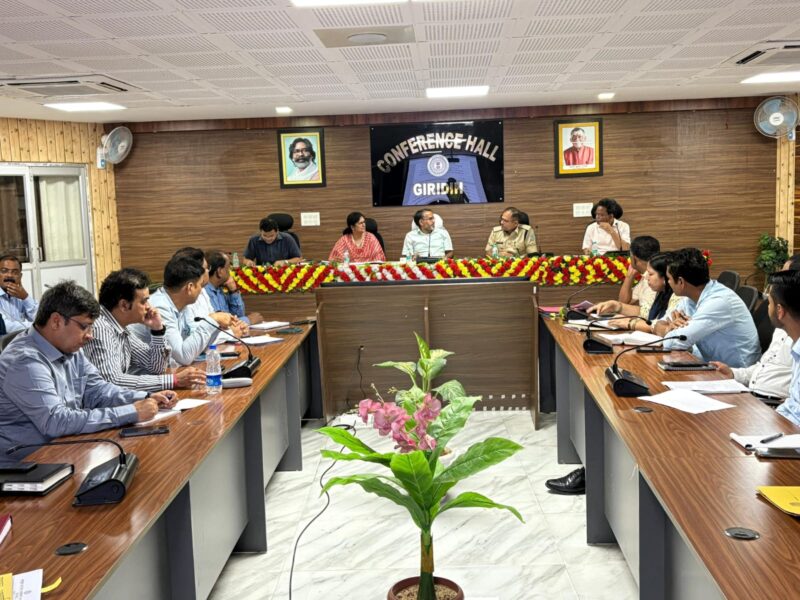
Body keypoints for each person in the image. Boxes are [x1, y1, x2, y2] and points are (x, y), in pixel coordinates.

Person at [0, 280, 176, 456]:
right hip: (28, 462)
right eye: (85, 326)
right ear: (56, 321)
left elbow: (98, 390)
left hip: (66, 447)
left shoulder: (69, 347)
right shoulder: (24, 361)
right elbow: (56, 421)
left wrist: (145, 397)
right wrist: (132, 412)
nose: (90, 335)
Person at [84, 268, 206, 392]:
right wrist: (173, 380)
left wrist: (157, 330)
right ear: (124, 305)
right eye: (144, 302)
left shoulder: (120, 326)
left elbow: (155, 367)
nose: (149, 307)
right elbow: (112, 381)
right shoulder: (100, 328)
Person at [709, 255, 800, 405]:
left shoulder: (794, 335)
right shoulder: (782, 328)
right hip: (754, 397)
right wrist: (733, 373)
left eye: (784, 275)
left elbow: (792, 407)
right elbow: (764, 368)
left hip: (771, 404)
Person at [653, 248, 760, 367]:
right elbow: (658, 324)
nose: (668, 282)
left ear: (681, 282)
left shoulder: (718, 301)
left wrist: (670, 332)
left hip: (734, 372)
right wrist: (668, 329)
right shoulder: (690, 297)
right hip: (708, 364)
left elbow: (672, 343)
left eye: (668, 278)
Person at [132, 256, 234, 366]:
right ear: (190, 287)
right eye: (200, 285)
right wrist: (212, 320)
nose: (201, 290)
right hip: (143, 374)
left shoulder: (182, 304)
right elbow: (184, 357)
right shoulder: (160, 308)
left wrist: (217, 326)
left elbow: (196, 347)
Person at [587, 237, 664, 323]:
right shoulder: (645, 276)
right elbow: (624, 302)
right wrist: (629, 277)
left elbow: (648, 313)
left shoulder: (654, 280)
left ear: (634, 258)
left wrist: (617, 307)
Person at [767, 269, 800, 426]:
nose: (768, 308)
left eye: (769, 303)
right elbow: (793, 407)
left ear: (779, 311)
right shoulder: (795, 346)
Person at [205, 250, 263, 325]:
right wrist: (248, 320)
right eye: (228, 268)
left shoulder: (220, 289)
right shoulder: (204, 293)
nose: (230, 271)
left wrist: (233, 291)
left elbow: (238, 316)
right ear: (220, 272)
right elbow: (218, 324)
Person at [0, 254, 38, 334]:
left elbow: (40, 317)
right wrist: (38, 326)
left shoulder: (20, 295)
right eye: (4, 271)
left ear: (20, 276)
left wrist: (25, 297)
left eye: (15, 272)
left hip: (22, 338)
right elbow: (5, 326)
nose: (9, 275)